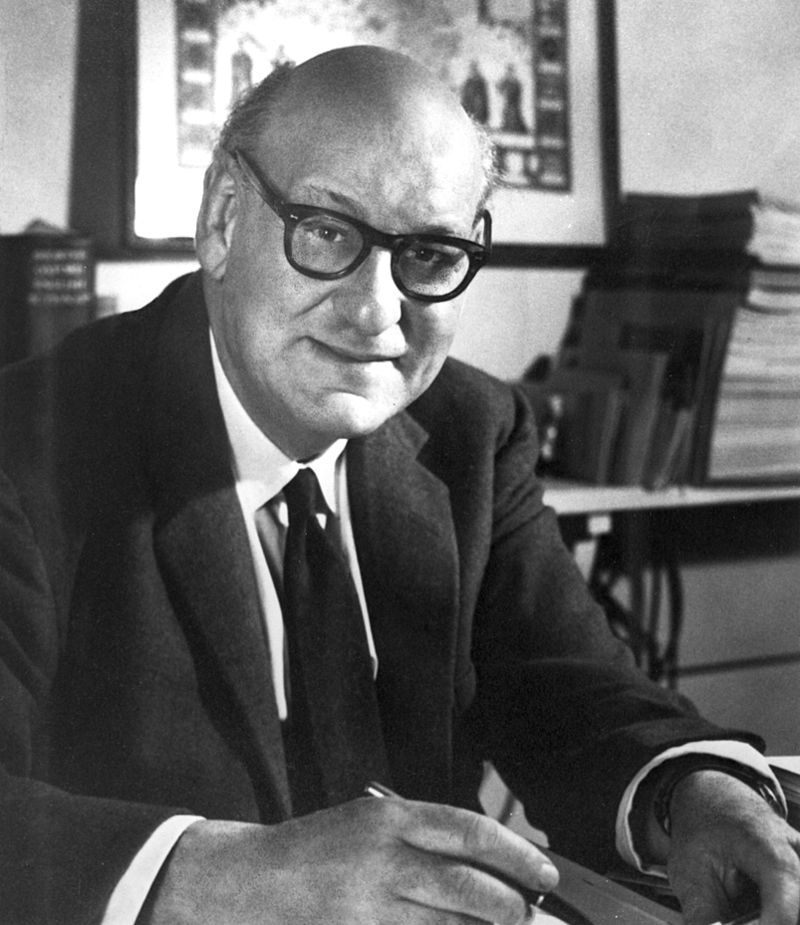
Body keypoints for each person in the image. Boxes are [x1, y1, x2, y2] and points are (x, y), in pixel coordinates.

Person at [0, 45, 798, 925]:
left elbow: (568, 687)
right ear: (225, 219)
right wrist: (226, 874)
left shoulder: (472, 431)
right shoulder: (28, 449)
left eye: (427, 252)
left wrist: (692, 793)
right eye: (329, 233)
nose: (379, 309)